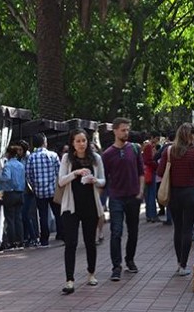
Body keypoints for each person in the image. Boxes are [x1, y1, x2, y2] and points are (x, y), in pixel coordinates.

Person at [57, 129, 105, 294]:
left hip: (90, 205)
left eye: (84, 140)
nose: (81, 144)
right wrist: (75, 173)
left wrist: (95, 180)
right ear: (72, 143)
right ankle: (69, 280)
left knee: (90, 242)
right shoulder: (67, 158)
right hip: (71, 206)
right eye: (77, 141)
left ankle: (91, 273)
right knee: (71, 243)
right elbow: (61, 181)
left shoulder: (96, 158)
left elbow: (103, 181)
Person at [157, 123, 194, 276]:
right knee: (187, 228)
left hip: (174, 194)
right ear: (189, 136)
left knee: (178, 228)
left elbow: (160, 171)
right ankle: (184, 264)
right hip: (190, 193)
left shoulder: (169, 151)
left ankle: (178, 263)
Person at [102, 117, 144, 280]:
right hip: (116, 197)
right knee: (116, 232)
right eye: (123, 130)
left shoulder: (134, 149)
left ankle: (130, 259)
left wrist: (140, 192)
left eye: (127, 130)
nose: (126, 133)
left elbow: (141, 172)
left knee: (133, 231)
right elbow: (104, 178)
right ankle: (116, 266)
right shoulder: (107, 154)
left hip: (133, 196)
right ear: (115, 131)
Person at [26, 133, 61, 246]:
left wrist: (34, 186)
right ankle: (61, 234)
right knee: (57, 213)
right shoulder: (53, 155)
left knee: (43, 215)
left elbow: (28, 175)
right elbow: (59, 172)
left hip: (40, 192)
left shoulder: (31, 157)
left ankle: (44, 239)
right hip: (53, 190)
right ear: (44, 142)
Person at [0, 144, 26, 250]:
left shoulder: (8, 165)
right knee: (18, 218)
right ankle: (21, 241)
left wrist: (0, 176)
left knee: (10, 219)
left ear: (8, 154)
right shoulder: (21, 165)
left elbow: (6, 177)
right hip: (20, 193)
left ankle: (12, 242)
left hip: (10, 193)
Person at [142, 131, 160, 222]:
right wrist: (157, 166)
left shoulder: (147, 146)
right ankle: (152, 215)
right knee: (151, 195)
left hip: (148, 172)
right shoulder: (149, 146)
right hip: (150, 172)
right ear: (152, 137)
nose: (158, 140)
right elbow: (148, 160)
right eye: (157, 138)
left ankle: (149, 215)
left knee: (148, 195)